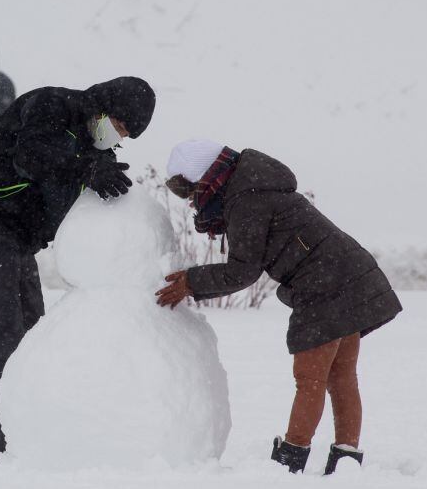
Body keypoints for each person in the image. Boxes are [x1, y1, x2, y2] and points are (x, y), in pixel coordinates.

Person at [155, 139, 402, 475]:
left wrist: (191, 281)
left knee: (310, 377)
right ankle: (346, 459)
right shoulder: (251, 185)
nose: (189, 202)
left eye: (187, 190)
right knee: (340, 376)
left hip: (326, 281)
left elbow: (242, 270)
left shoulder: (246, 200)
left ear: (205, 177)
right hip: (347, 272)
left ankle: (290, 459)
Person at [0, 76, 156, 464]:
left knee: (31, 340)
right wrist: (85, 167)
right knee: (1, 341)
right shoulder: (52, 105)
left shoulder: (95, 150)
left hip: (17, 241)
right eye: (121, 125)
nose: (118, 136)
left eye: (126, 134)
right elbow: (31, 156)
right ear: (106, 107)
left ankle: (28, 445)